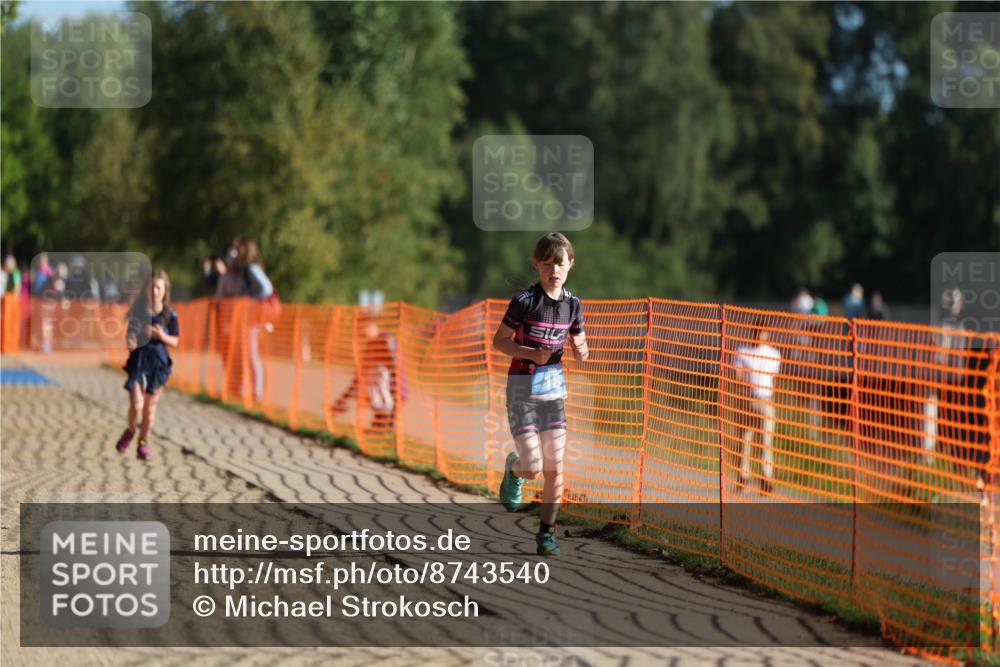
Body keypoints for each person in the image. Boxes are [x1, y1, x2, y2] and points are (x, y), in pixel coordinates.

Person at [493, 233, 588, 556]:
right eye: (547, 264)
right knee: (533, 466)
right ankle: (514, 469)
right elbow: (499, 341)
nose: (554, 270)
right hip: (521, 384)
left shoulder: (573, 305)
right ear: (537, 265)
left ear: (571, 265)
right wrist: (530, 353)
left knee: (555, 467)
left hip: (552, 388)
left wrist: (581, 350)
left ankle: (547, 534)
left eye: (560, 263)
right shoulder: (524, 302)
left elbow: (578, 338)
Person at [115, 269, 179, 461]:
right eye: (151, 287)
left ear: (165, 290)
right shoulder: (138, 312)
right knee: (137, 405)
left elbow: (175, 341)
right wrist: (131, 342)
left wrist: (161, 336)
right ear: (145, 290)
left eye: (158, 287)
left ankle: (143, 443)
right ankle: (130, 430)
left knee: (149, 410)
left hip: (159, 365)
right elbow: (130, 336)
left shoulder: (170, 315)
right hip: (139, 362)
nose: (154, 291)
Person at [327, 313, 406, 434]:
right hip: (385, 396)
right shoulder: (370, 347)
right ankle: (383, 423)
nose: (360, 333)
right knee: (366, 381)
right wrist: (342, 401)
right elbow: (358, 378)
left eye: (361, 327)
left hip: (395, 390)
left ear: (371, 326)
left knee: (375, 375)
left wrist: (395, 394)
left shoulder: (385, 340)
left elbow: (394, 368)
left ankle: (387, 420)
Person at [732, 321, 782, 494]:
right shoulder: (742, 352)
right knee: (744, 441)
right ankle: (743, 477)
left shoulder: (774, 354)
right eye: (758, 332)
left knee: (765, 443)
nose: (761, 335)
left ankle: (766, 479)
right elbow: (737, 375)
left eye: (763, 332)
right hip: (746, 400)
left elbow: (773, 379)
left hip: (765, 401)